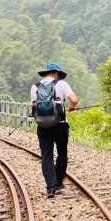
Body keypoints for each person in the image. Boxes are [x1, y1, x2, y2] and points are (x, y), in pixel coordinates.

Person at [31, 63, 79, 198]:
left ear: (46, 73)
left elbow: (33, 106)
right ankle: (58, 182)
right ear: (57, 73)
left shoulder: (35, 87)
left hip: (42, 126)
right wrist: (70, 107)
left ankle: (50, 188)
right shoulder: (62, 84)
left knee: (46, 156)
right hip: (60, 124)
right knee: (62, 153)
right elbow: (74, 100)